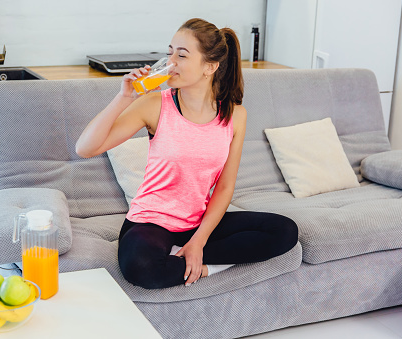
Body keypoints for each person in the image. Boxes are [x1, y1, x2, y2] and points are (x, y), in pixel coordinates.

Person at [76, 18, 298, 289]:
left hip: (198, 223)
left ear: (210, 66)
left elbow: (225, 186)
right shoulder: (155, 104)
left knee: (284, 231)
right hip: (152, 222)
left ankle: (194, 261)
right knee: (140, 266)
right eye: (170, 52)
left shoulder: (235, 116)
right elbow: (85, 148)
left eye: (182, 55)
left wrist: (198, 242)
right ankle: (197, 264)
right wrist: (125, 97)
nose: (171, 62)